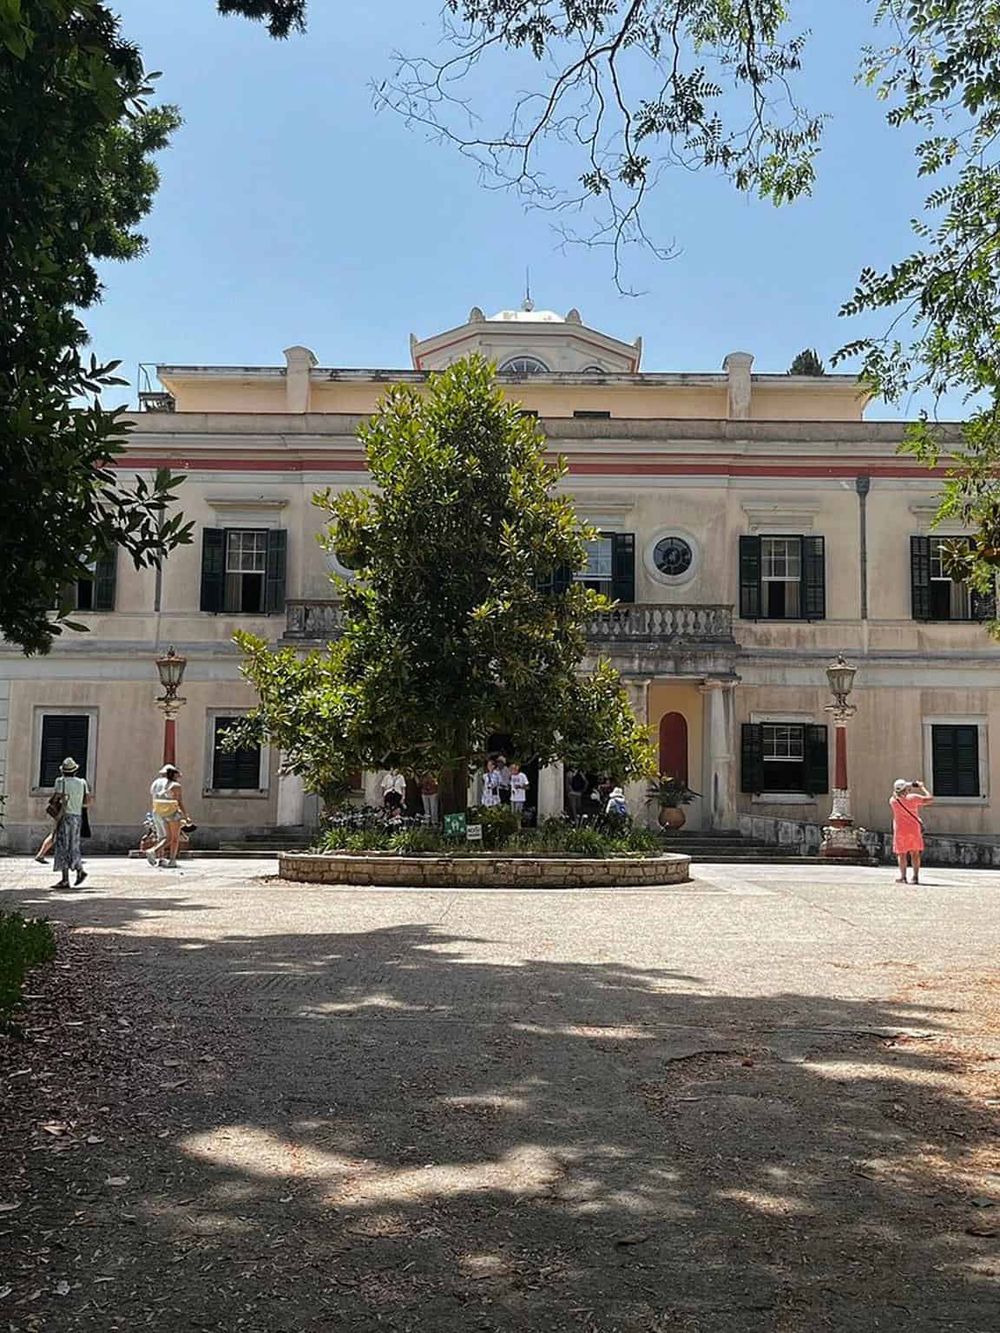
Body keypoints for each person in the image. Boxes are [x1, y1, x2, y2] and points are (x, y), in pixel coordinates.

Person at [51, 757, 90, 889]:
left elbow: (55, 798)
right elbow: (87, 801)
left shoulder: (60, 782)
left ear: (63, 771)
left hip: (65, 816)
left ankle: (65, 879)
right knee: (74, 846)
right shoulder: (82, 783)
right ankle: (79, 869)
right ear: (75, 770)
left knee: (63, 846)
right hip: (77, 817)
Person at [890, 778, 934, 884]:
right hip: (914, 829)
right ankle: (915, 877)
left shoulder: (893, 801)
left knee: (901, 854)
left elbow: (897, 793)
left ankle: (903, 877)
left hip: (900, 829)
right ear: (906, 789)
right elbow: (930, 799)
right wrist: (921, 787)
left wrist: (907, 786)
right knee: (915, 853)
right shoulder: (913, 798)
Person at [148, 764, 188, 868]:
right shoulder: (175, 785)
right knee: (173, 837)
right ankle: (171, 860)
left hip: (157, 811)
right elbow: (179, 801)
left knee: (162, 836)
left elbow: (153, 796)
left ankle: (161, 859)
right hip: (171, 811)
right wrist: (186, 815)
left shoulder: (155, 783)